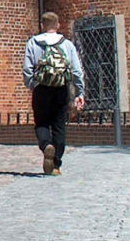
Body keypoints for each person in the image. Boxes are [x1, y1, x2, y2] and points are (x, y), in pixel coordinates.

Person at [23, 11, 85, 175]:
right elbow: (77, 71)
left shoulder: (33, 43)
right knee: (59, 125)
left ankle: (46, 145)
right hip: (61, 88)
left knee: (42, 123)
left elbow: (27, 69)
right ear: (58, 26)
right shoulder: (67, 44)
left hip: (41, 88)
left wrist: (32, 85)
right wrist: (80, 91)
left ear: (42, 26)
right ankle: (56, 164)